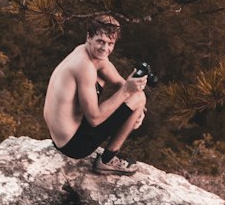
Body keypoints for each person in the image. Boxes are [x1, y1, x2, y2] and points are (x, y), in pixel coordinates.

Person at [43, 13, 148, 175]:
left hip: (61, 137)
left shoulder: (84, 52)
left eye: (110, 43)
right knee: (139, 97)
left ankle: (136, 103)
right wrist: (130, 95)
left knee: (131, 94)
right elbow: (94, 119)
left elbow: (117, 79)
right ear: (89, 37)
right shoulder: (84, 67)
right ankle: (107, 161)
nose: (105, 48)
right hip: (74, 145)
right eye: (100, 41)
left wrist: (137, 108)